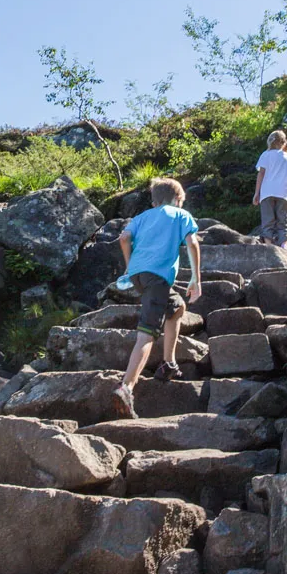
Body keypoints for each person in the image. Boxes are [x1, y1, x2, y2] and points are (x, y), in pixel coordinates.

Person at [113, 177, 202, 418]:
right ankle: (126, 387)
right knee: (147, 334)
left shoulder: (142, 217)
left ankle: (168, 363)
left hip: (140, 276)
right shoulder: (180, 215)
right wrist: (196, 278)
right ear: (178, 200)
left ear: (154, 201)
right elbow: (192, 243)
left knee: (176, 307)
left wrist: (130, 266)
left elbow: (123, 238)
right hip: (157, 277)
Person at [253, 130, 287, 250]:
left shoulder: (265, 155)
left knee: (268, 223)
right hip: (283, 195)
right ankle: (284, 248)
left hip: (266, 194)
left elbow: (261, 174)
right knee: (283, 224)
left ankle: (269, 249)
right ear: (283, 142)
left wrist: (256, 193)